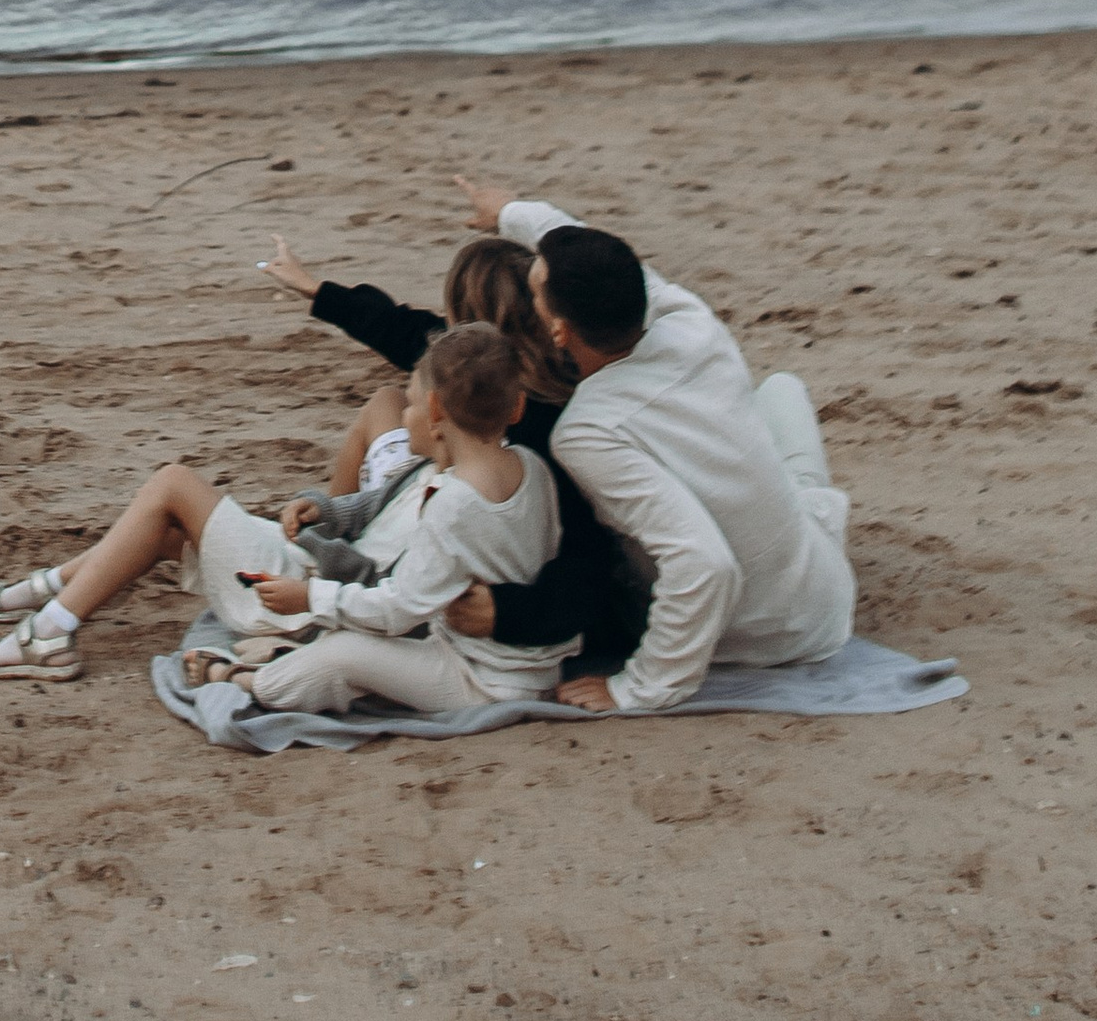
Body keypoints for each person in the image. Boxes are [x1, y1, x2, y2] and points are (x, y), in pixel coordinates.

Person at [471, 185, 855, 715]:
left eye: (536, 290)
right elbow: (585, 245)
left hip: (750, 640)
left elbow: (705, 565)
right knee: (782, 390)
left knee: (765, 441)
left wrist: (637, 688)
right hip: (818, 595)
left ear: (558, 328)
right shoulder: (690, 321)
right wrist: (508, 212)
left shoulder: (587, 430)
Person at [265, 229, 647, 679]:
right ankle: (337, 541)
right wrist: (318, 291)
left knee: (389, 410)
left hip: (499, 596)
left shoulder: (551, 433)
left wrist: (506, 612)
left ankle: (333, 569)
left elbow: (586, 558)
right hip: (461, 528)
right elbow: (405, 330)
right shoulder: (502, 376)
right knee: (389, 402)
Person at [203, 323, 577, 720]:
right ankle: (283, 660)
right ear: (517, 407)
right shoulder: (533, 468)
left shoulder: (452, 503)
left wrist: (311, 597)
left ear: (435, 410)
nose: (405, 413)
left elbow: (398, 608)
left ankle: (245, 680)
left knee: (340, 653)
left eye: (410, 404)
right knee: (357, 641)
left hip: (480, 680)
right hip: (537, 669)